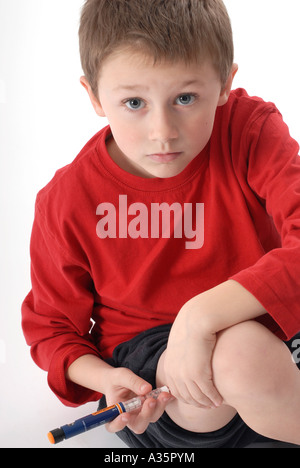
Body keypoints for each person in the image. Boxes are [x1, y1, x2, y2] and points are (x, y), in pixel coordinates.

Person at [21, 0, 300, 448]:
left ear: (225, 82)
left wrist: (201, 314)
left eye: (185, 98)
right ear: (93, 95)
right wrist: (109, 379)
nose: (163, 131)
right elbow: (53, 329)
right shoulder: (67, 199)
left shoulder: (249, 131)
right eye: (134, 102)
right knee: (240, 354)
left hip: (270, 338)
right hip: (162, 386)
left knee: (250, 347)